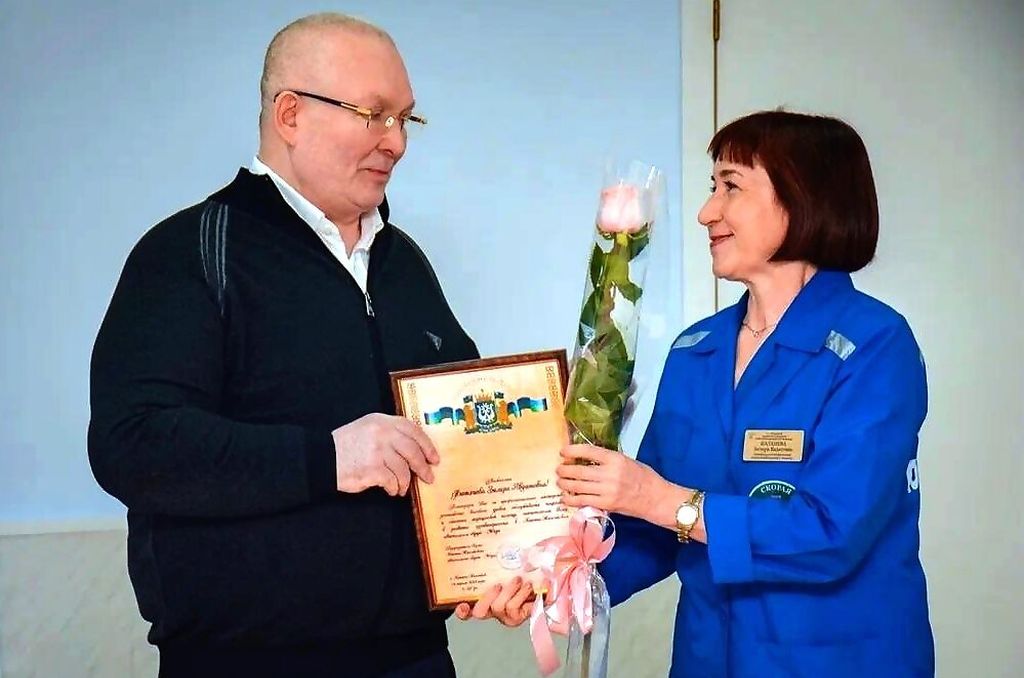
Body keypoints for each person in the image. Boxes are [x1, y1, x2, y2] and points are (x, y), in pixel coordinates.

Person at [462, 111, 934, 677]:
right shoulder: (697, 349)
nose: (706, 212)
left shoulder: (875, 347)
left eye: (731, 187)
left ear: (802, 197)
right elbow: (653, 531)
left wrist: (658, 499)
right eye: (713, 188)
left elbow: (830, 534)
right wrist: (555, 581)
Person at [88, 13, 477, 678]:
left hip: (417, 657)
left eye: (405, 119)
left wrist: (510, 548)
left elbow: (463, 434)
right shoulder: (189, 253)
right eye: (374, 115)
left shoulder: (405, 263)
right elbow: (134, 445)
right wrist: (327, 458)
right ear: (290, 114)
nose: (396, 143)